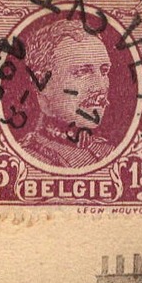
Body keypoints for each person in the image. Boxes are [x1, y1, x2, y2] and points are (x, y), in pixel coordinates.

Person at [12, 14, 117, 171]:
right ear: (42, 83)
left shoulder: (109, 153)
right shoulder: (28, 158)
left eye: (104, 71)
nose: (101, 86)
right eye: (82, 72)